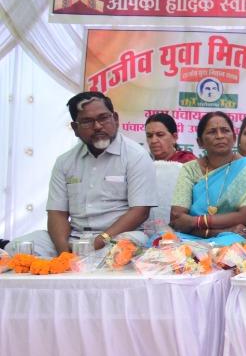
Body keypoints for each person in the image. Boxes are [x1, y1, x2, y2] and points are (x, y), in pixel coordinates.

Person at [5, 91, 156, 257]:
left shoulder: (136, 156)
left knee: (119, 252)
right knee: (15, 247)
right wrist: (63, 250)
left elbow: (140, 212)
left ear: (116, 119)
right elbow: (57, 213)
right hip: (75, 237)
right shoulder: (65, 162)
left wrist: (95, 244)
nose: (97, 126)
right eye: (87, 121)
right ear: (75, 128)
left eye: (103, 118)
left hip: (118, 237)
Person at [165, 111, 246, 246]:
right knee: (164, 242)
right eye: (212, 132)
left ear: (234, 138)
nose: (220, 136)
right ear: (200, 142)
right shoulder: (190, 169)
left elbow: (245, 217)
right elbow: (177, 220)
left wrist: (194, 221)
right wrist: (221, 230)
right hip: (196, 234)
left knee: (235, 249)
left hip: (241, 234)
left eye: (225, 131)